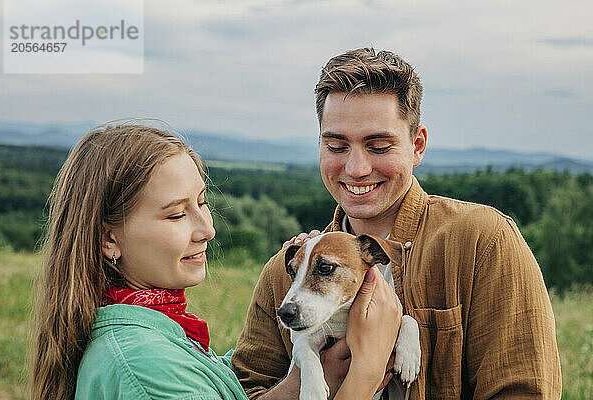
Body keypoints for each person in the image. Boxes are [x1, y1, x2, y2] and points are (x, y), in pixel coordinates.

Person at [232, 48, 562, 399]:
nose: (357, 168)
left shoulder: (483, 242)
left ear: (417, 146)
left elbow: (525, 390)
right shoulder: (282, 274)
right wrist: (311, 375)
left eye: (378, 146)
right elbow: (246, 391)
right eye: (336, 145)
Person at [28, 124, 403, 400]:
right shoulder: (147, 370)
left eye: (202, 203)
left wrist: (292, 382)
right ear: (109, 239)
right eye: (176, 215)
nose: (207, 229)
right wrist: (366, 372)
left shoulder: (166, 334)